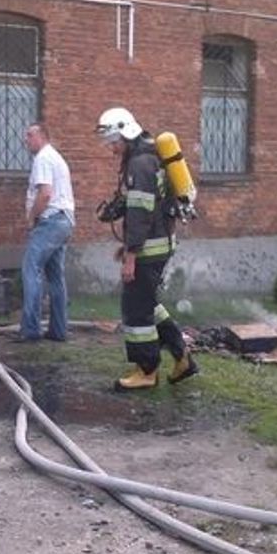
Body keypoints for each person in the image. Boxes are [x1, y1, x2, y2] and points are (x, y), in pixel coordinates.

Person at [94, 106, 197, 390]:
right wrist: (128, 246)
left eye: (113, 143)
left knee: (136, 309)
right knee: (149, 303)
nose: (112, 149)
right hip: (157, 245)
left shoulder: (140, 164)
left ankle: (147, 370)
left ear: (125, 134)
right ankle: (182, 357)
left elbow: (140, 214)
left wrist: (131, 256)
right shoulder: (148, 157)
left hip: (148, 250)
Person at [16, 122, 75, 342]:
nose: (26, 140)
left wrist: (31, 218)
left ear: (42, 136)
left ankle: (30, 330)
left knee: (31, 270)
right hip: (65, 220)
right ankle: (59, 330)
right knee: (55, 276)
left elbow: (45, 194)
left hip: (50, 221)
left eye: (30, 135)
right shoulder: (56, 157)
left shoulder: (43, 158)